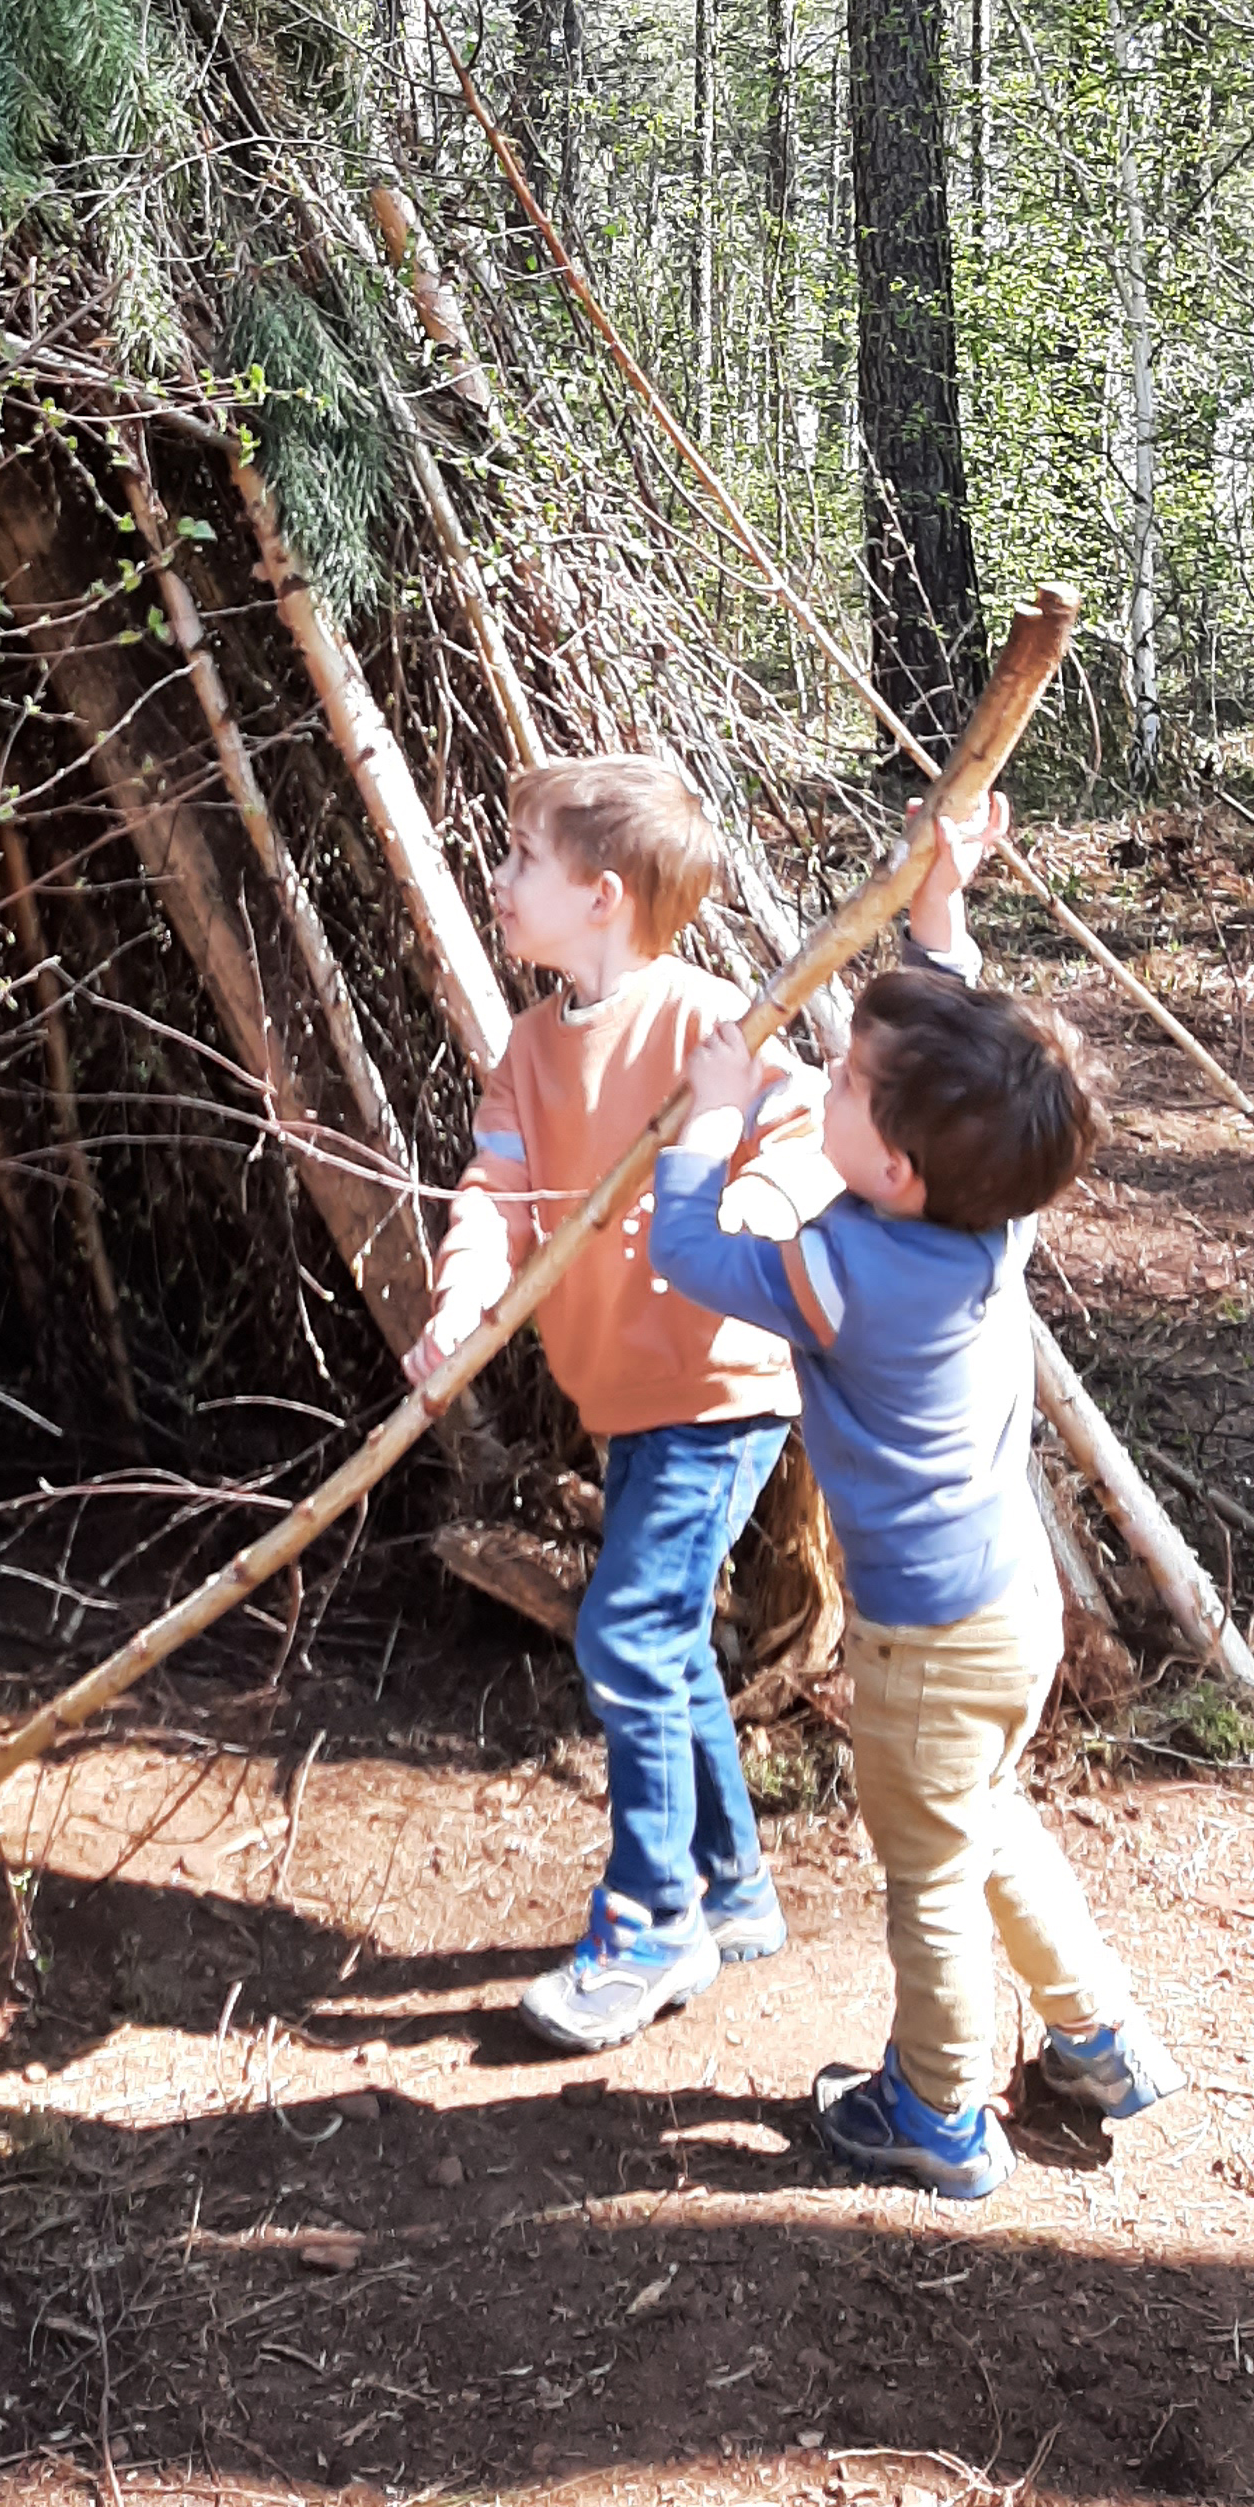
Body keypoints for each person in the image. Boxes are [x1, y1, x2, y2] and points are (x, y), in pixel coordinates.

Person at [403, 758, 989, 2055]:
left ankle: (651, 1920)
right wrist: (461, 1305)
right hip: (625, 1395)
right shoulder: (534, 1050)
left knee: (628, 1630)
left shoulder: (705, 1021)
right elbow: (494, 1196)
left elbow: (796, 1127)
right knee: (660, 1637)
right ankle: (731, 1887)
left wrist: (748, 1202)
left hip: (718, 1390)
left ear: (601, 896)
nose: (498, 879)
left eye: (522, 859)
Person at [646, 922, 1185, 2195]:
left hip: (931, 1646)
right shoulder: (995, 1215)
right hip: (1011, 1612)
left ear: (893, 1166)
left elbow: (688, 1252)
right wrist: (940, 916)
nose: (820, 1079)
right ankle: (1098, 2035)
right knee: (982, 1820)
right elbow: (963, 1064)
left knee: (930, 1871)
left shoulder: (845, 1274)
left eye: (839, 1081)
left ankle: (937, 2112)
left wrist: (711, 1117)